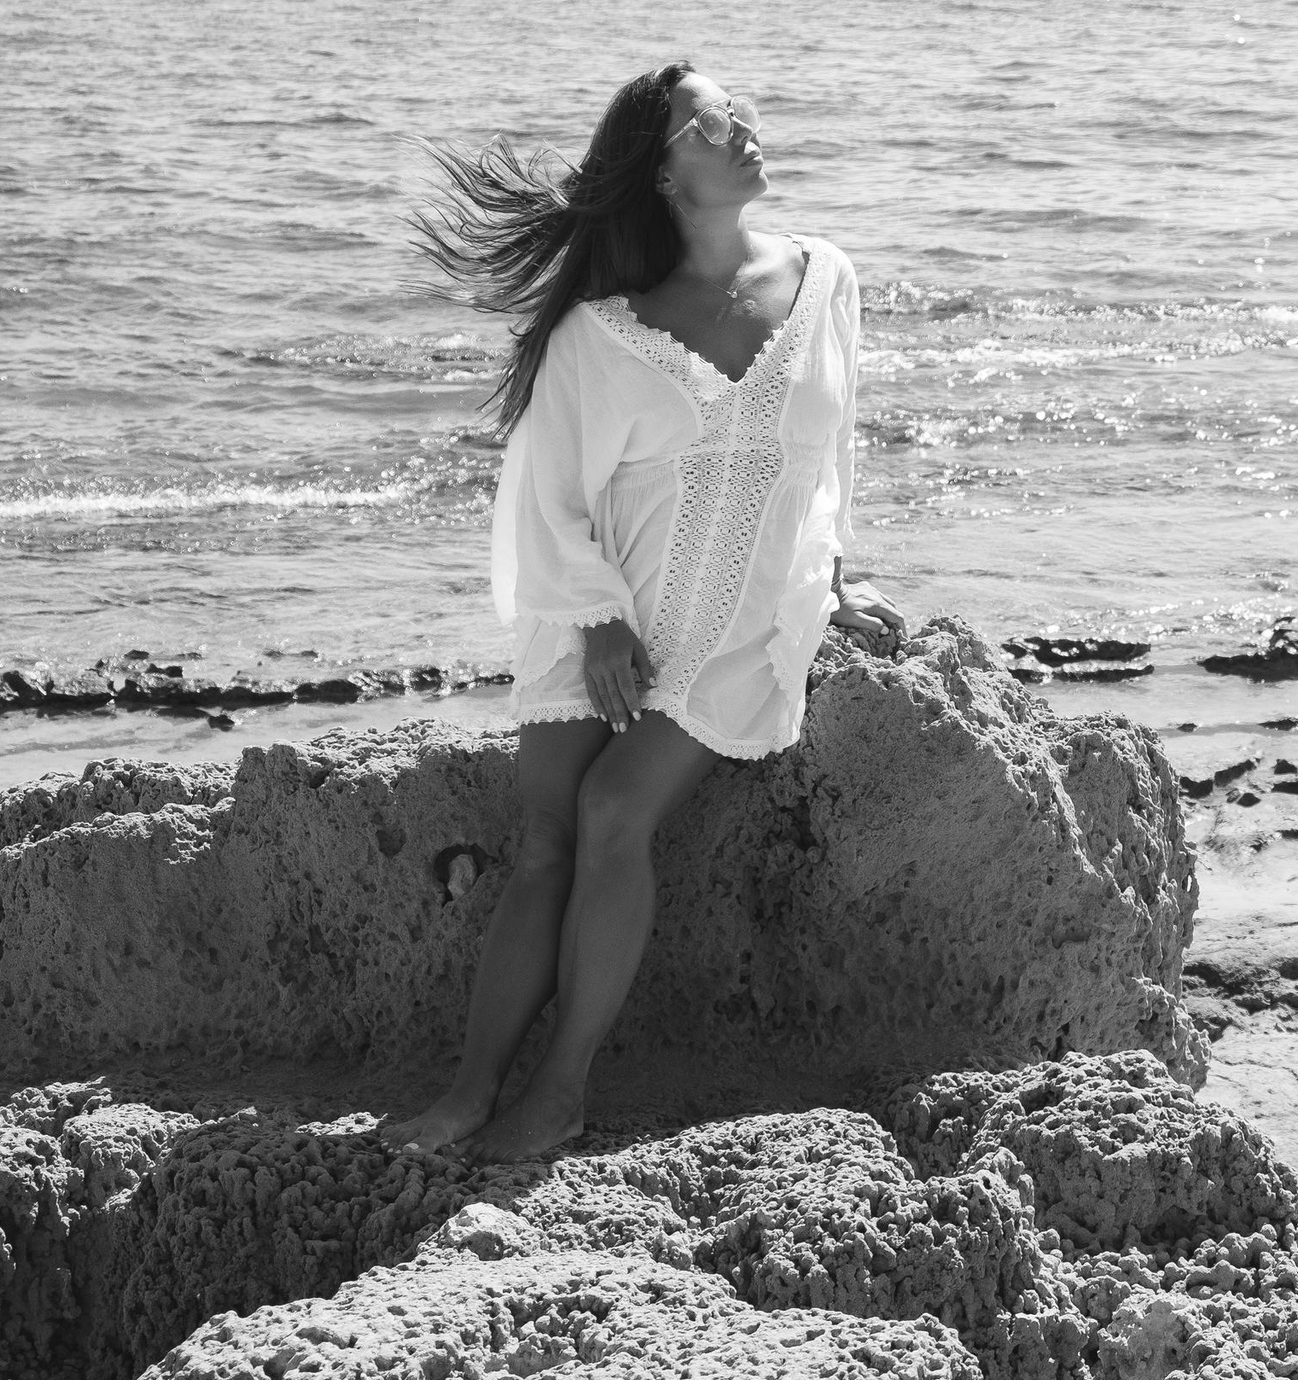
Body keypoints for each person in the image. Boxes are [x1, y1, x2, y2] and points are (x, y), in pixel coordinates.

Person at [380, 60, 905, 1161]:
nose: (745, 131)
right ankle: (472, 1089)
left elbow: (832, 453)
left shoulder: (825, 279)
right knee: (544, 840)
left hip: (747, 612)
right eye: (714, 125)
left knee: (615, 811)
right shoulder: (599, 334)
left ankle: (559, 1090)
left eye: (738, 114)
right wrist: (597, 618)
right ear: (663, 172)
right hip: (604, 606)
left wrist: (838, 577)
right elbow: (546, 494)